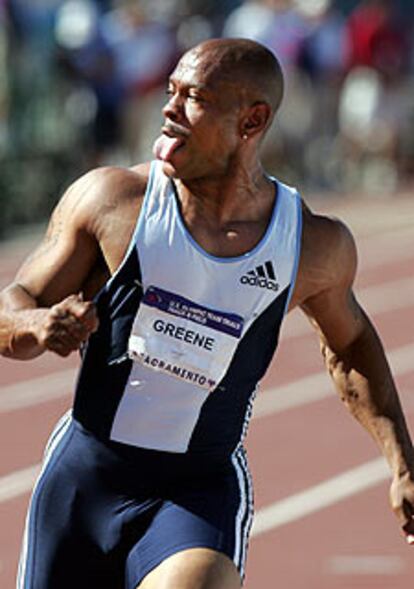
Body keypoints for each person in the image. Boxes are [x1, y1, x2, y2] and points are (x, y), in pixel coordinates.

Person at [1, 38, 413, 589]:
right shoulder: (113, 201)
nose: (168, 110)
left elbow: (350, 346)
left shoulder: (310, 245)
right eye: (170, 91)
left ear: (252, 121)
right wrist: (34, 324)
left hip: (197, 492)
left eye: (194, 97)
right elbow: (15, 302)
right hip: (86, 481)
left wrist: (401, 462)